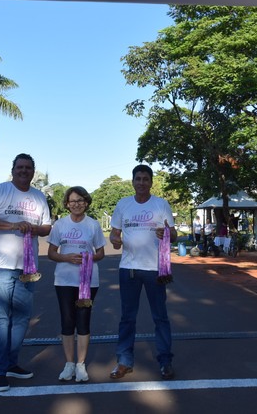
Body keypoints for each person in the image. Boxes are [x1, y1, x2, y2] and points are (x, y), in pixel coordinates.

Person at [0, 153, 52, 392]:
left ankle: (10, 363)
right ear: (13, 169)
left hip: (27, 268)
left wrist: (31, 227)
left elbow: (47, 227)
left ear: (33, 171)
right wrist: (13, 225)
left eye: (28, 168)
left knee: (21, 319)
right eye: (20, 167)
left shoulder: (39, 197)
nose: (23, 171)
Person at [109, 164, 177, 381]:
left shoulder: (161, 204)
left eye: (145, 179)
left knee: (160, 317)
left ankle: (165, 361)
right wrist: (114, 240)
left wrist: (166, 232)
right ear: (132, 181)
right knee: (127, 318)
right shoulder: (123, 204)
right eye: (138, 179)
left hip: (155, 269)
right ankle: (124, 361)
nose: (141, 183)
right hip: (128, 268)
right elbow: (114, 233)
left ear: (151, 182)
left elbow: (173, 234)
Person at [47, 186, 105, 383]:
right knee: (67, 320)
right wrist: (66, 257)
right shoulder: (60, 225)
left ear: (86, 202)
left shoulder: (93, 225)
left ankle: (80, 365)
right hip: (64, 280)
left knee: (83, 320)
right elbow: (51, 253)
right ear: (67, 204)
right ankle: (69, 363)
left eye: (80, 200)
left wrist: (89, 257)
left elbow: (101, 253)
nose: (77, 204)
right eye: (72, 201)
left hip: (88, 280)